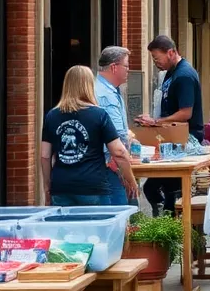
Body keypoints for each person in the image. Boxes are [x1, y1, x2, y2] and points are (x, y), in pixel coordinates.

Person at [39, 65, 138, 206]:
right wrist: (131, 180)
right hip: (93, 185)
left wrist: (47, 186)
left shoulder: (52, 116)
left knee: (67, 228)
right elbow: (119, 152)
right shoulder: (99, 115)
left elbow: (45, 155)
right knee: (98, 228)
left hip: (61, 187)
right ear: (89, 85)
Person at [137, 35, 204, 215]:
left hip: (184, 138)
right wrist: (152, 120)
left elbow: (185, 113)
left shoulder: (184, 75)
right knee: (154, 186)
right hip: (170, 137)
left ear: (171, 52)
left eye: (157, 58)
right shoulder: (170, 73)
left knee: (166, 188)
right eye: (153, 59)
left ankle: (170, 219)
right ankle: (165, 215)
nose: (155, 63)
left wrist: (156, 121)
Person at [93, 46, 136, 206]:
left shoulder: (109, 90)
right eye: (126, 65)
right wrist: (125, 172)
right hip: (111, 166)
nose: (128, 70)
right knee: (123, 214)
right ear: (113, 67)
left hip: (110, 164)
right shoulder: (106, 95)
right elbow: (117, 137)